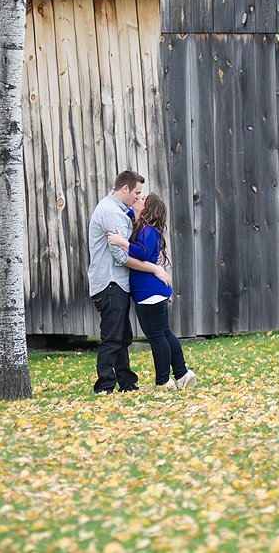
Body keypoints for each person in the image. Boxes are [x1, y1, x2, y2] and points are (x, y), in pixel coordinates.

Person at [87, 169, 170, 395]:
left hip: (118, 283)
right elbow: (121, 256)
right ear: (125, 188)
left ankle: (127, 382)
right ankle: (104, 385)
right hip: (110, 282)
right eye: (137, 192)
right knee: (112, 337)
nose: (138, 197)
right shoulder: (111, 213)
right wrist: (154, 268)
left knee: (123, 337)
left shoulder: (117, 209)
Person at [108, 194, 195, 389]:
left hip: (149, 292)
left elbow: (142, 253)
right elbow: (126, 209)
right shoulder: (143, 227)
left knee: (157, 336)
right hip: (151, 290)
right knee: (163, 333)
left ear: (148, 209)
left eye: (143, 198)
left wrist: (121, 242)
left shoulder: (147, 231)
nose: (138, 198)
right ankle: (182, 373)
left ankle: (163, 381)